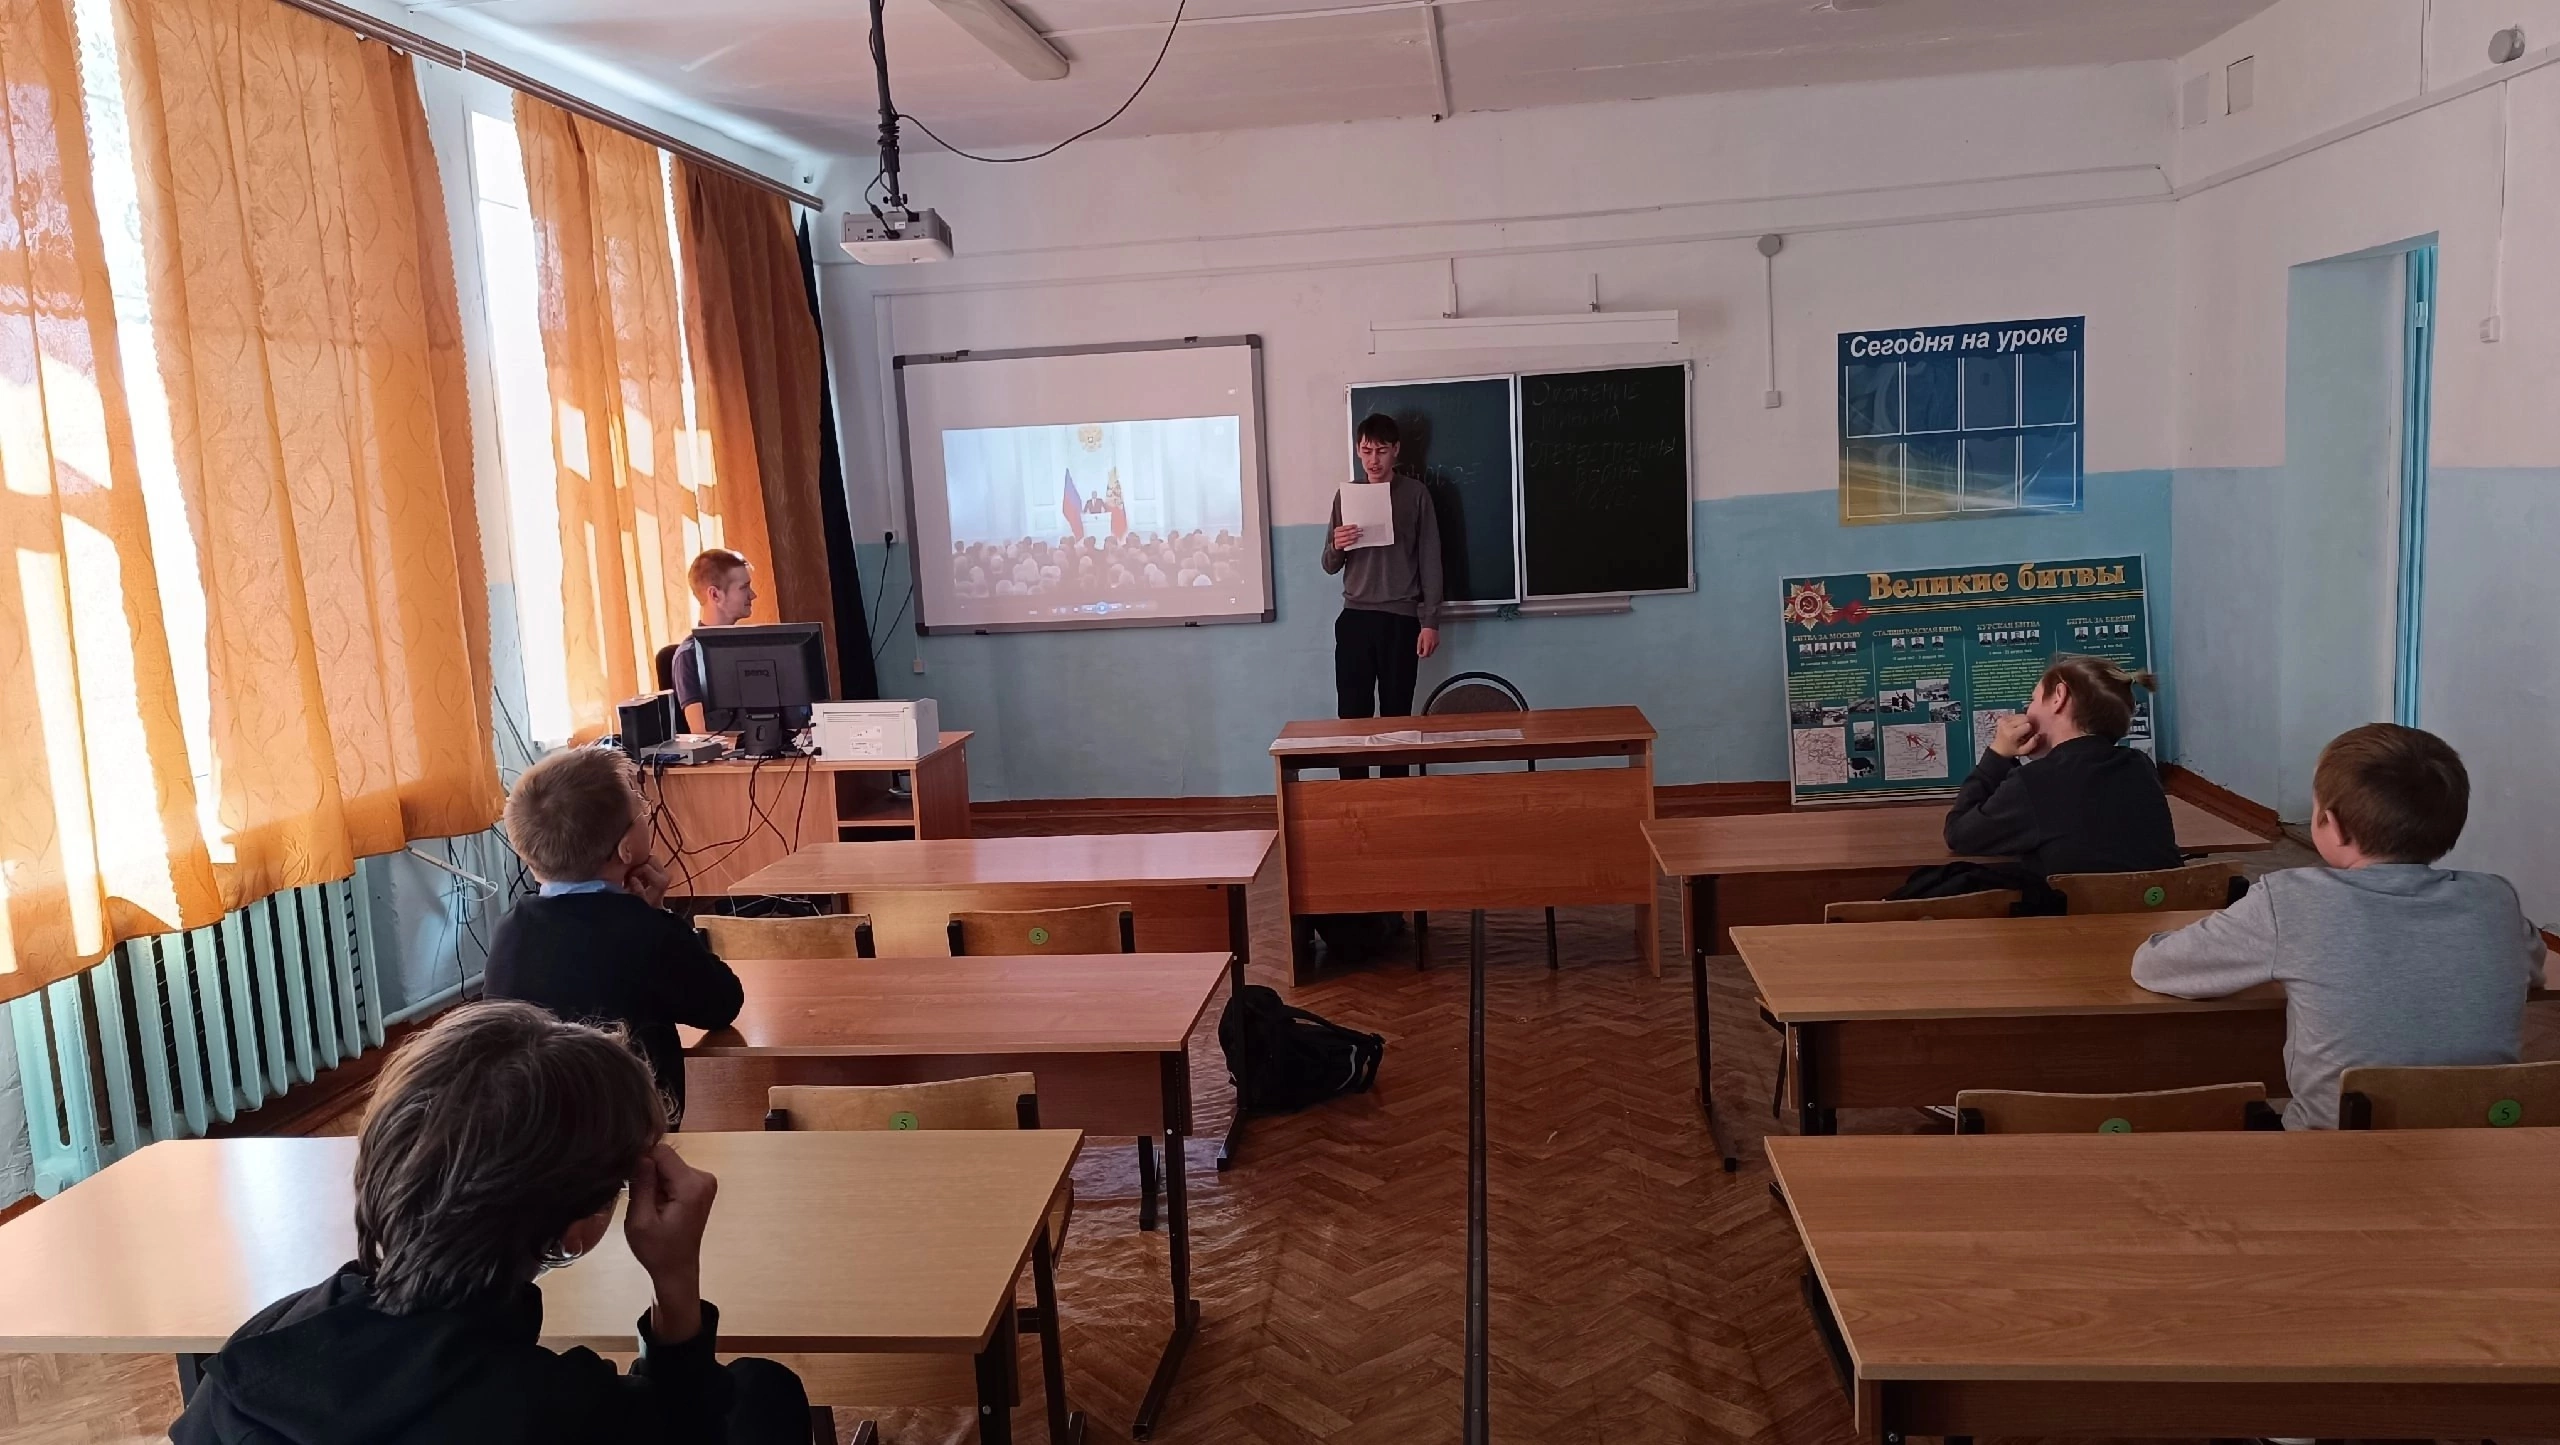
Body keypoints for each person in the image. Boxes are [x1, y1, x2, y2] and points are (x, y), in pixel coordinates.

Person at [168, 1001, 811, 1444]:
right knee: (762, 1392)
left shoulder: (257, 1350)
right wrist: (675, 1281)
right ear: (577, 1230)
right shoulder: (559, 1410)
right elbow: (684, 1430)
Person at [2132, 724, 2545, 1128]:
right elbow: (2533, 970)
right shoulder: (2496, 900)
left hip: (2332, 1148)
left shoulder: (2292, 899)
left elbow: (2155, 967)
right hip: (2479, 1142)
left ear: (2333, 824)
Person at [483, 748, 743, 1125]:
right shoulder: (647, 931)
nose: (647, 814)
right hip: (632, 1132)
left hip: (535, 1132)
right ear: (626, 849)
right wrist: (659, 914)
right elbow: (722, 1003)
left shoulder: (509, 931)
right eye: (642, 811)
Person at [1939, 654, 2181, 877]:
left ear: (2059, 697)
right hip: (2161, 905)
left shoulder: (2034, 781)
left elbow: (1959, 834)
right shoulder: (2140, 766)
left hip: (2078, 910)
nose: (2027, 710)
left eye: (2033, 699)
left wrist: (1998, 754)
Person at [1323, 413, 1444, 780]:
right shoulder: (1347, 496)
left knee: (1397, 717)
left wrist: (1430, 621)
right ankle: (1354, 797)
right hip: (1355, 617)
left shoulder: (1415, 495)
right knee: (1352, 716)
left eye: (1381, 451)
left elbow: (1430, 559)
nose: (1373, 460)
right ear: (1358, 451)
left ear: (1396, 451)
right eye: (1366, 451)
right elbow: (1328, 564)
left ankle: (1394, 798)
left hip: (1401, 619)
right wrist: (1337, 545)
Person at [670, 549, 757, 734]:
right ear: (715, 595)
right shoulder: (689, 655)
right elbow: (702, 734)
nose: (753, 595)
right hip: (733, 752)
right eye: (744, 588)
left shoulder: (752, 646)